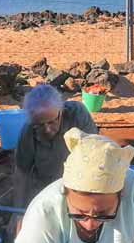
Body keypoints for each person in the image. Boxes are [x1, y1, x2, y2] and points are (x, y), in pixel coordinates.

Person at [13, 84, 98, 219]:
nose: (47, 129)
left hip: (82, 189)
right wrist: (17, 214)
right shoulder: (28, 131)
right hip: (48, 191)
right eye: (40, 125)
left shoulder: (77, 115)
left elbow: (95, 156)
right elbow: (22, 173)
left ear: (61, 111)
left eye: (52, 122)